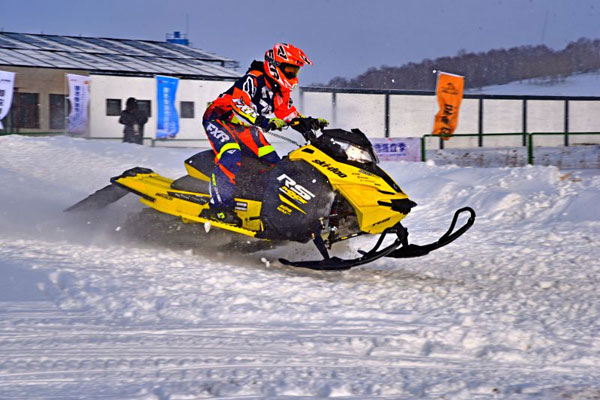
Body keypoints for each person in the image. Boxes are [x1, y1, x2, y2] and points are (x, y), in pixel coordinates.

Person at [199, 43, 328, 226]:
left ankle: (263, 205)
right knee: (230, 153)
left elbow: (286, 112)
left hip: (244, 127)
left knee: (275, 164)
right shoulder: (253, 79)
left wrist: (307, 122)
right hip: (220, 119)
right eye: (290, 70)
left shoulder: (280, 89)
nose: (293, 75)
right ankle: (218, 207)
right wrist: (264, 122)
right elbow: (239, 104)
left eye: (295, 71)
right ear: (275, 66)